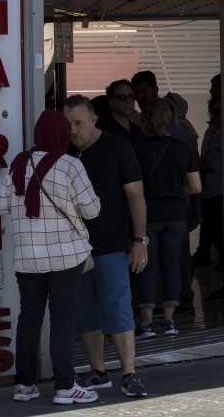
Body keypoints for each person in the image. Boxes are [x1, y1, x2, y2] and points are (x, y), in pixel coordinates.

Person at [0, 110, 102, 405]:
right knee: (62, 319)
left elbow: (1, 203)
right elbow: (92, 210)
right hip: (65, 257)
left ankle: (24, 385)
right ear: (59, 133)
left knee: (29, 318)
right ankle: (65, 387)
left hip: (27, 257)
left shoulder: (19, 162)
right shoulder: (70, 164)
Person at [65, 95, 150, 398]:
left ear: (93, 119)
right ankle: (99, 372)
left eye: (78, 123)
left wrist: (140, 241)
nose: (72, 130)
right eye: (68, 124)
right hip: (75, 249)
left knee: (118, 308)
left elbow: (136, 196)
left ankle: (129, 374)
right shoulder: (65, 153)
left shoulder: (117, 147)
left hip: (113, 244)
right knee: (85, 313)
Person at [133, 97, 202, 339]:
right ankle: (170, 322)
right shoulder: (182, 149)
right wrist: (175, 189)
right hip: (176, 216)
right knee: (172, 267)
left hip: (147, 216)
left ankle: (147, 323)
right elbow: (196, 187)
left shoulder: (136, 149)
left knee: (146, 268)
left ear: (145, 121)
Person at [194, 96, 224, 270]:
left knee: (220, 228)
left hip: (221, 187)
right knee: (212, 227)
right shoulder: (211, 131)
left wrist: (211, 167)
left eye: (219, 111)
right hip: (208, 186)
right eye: (213, 112)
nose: (216, 115)